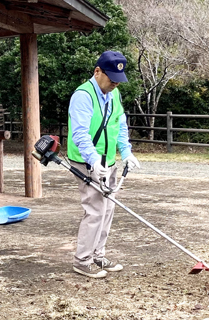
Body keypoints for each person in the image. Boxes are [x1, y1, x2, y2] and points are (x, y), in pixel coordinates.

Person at [67, 50, 141, 279]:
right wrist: (93, 161)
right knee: (95, 210)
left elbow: (120, 125)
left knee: (107, 209)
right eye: (111, 79)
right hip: (86, 161)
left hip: (108, 161)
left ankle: (98, 255)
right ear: (97, 72)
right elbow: (80, 134)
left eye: (118, 81)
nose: (115, 84)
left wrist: (126, 152)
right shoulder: (83, 95)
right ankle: (82, 260)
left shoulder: (114, 95)